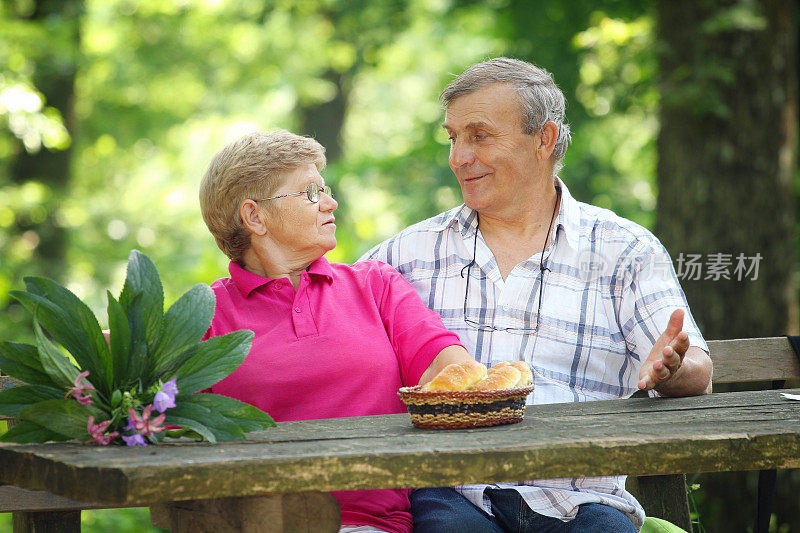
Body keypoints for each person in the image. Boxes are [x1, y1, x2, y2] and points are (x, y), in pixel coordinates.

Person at [362, 57, 713, 532]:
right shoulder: (403, 255)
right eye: (453, 137)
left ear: (544, 140)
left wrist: (671, 368)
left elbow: (698, 373)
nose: (458, 157)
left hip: (582, 497)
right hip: (453, 492)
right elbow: (325, 313)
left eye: (479, 136)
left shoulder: (625, 249)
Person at [198, 130, 473, 533]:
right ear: (255, 216)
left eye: (324, 188)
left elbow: (447, 366)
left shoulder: (375, 284)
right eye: (310, 192)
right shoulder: (204, 316)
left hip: (375, 525)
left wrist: (465, 383)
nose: (330, 202)